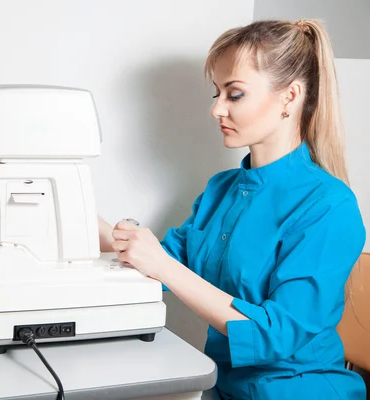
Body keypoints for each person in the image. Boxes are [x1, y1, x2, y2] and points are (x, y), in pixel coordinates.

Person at [99, 19, 366, 399]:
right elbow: (154, 263)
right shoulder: (222, 190)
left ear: (290, 97)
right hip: (220, 387)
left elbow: (275, 335)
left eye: (234, 94)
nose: (216, 110)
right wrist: (72, 206)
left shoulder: (329, 206)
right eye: (217, 94)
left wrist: (162, 265)